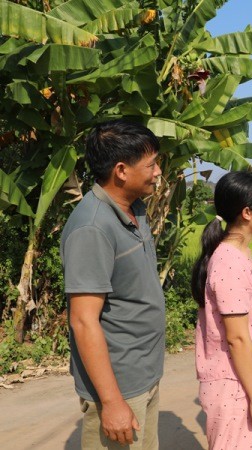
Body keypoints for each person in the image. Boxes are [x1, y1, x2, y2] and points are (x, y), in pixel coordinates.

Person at [61, 119, 164, 449]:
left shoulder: (135, 209)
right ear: (121, 170)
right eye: (151, 164)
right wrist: (113, 403)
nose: (158, 172)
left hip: (144, 375)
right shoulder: (92, 228)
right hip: (120, 387)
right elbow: (83, 320)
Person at [191, 170, 252, 449]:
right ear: (248, 212)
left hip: (239, 378)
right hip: (231, 382)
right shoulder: (229, 262)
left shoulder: (239, 253)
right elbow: (237, 339)